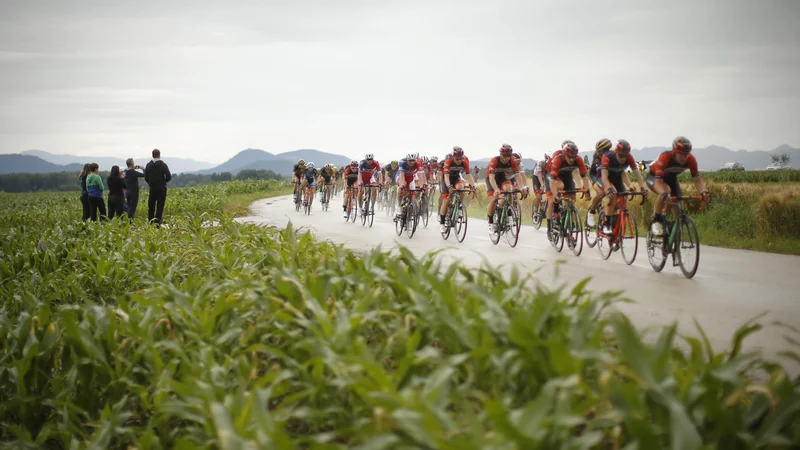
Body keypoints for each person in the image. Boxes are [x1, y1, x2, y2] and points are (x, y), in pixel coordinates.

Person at [646, 136, 710, 235]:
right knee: (666, 192)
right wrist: (663, 194)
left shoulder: (691, 159)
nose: (685, 157)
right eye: (682, 154)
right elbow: (659, 183)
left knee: (678, 204)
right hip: (655, 177)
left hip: (671, 178)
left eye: (687, 154)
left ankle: (675, 235)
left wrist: (704, 192)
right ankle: (656, 219)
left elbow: (697, 181)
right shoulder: (665, 157)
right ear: (675, 152)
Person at [599, 139, 648, 234]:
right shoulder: (607, 156)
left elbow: (638, 175)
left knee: (624, 197)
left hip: (617, 178)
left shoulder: (630, 157)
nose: (623, 158)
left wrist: (643, 188)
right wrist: (608, 189)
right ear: (616, 152)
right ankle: (607, 223)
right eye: (620, 156)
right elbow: (604, 176)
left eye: (625, 156)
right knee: (611, 196)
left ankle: (618, 223)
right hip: (606, 178)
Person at [547, 142, 591, 229]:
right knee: (556, 192)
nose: (571, 159)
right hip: (555, 177)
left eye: (573, 157)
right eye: (569, 157)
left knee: (571, 202)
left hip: (567, 177)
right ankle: (552, 219)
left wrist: (586, 190)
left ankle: (570, 224)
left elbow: (584, 177)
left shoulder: (579, 160)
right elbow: (552, 181)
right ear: (564, 154)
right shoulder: (558, 159)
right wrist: (555, 195)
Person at [485, 144, 526, 232]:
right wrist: (496, 189)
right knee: (493, 198)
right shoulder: (494, 160)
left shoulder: (512, 160)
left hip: (501, 177)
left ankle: (509, 214)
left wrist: (522, 187)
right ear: (501, 154)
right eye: (505, 156)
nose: (507, 158)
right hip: (491, 178)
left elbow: (517, 175)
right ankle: (490, 222)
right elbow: (491, 178)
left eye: (508, 156)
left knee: (509, 189)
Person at [439, 146, 476, 232]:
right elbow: (446, 177)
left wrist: (473, 186)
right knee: (446, 201)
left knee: (461, 188)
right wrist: (449, 187)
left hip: (456, 177)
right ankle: (442, 223)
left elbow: (469, 175)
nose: (459, 161)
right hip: (447, 179)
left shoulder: (465, 160)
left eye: (461, 159)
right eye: (457, 159)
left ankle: (459, 205)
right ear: (454, 157)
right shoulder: (448, 161)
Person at [587, 139, 613, 228]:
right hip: (596, 176)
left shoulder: (612, 155)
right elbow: (594, 172)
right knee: (601, 193)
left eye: (600, 151)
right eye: (597, 150)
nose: (598, 153)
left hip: (608, 177)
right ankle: (591, 212)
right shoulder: (596, 156)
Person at [395, 152, 427, 221]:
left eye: (413, 160)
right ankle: (399, 206)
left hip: (410, 178)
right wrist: (402, 185)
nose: (412, 162)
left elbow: (420, 176)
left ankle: (409, 218)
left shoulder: (417, 164)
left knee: (413, 197)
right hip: (401, 177)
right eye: (410, 161)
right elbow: (402, 176)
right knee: (401, 189)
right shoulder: (402, 162)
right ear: (407, 160)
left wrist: (422, 186)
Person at [144, 149, 172, 226]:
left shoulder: (148, 165)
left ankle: (150, 221)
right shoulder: (163, 165)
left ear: (152, 155)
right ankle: (157, 222)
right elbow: (169, 177)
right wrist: (163, 181)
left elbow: (146, 177)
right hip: (161, 188)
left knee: (151, 205)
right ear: (159, 155)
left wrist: (150, 183)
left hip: (152, 188)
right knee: (160, 205)